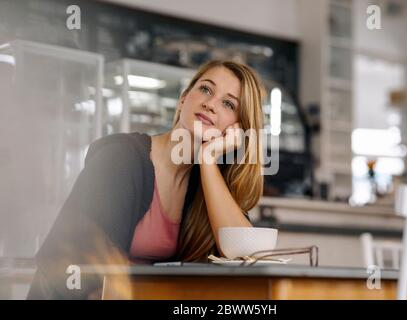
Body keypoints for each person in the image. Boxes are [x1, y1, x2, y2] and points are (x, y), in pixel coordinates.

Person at [27, 60, 266, 299]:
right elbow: (92, 281)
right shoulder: (121, 159)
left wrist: (208, 160)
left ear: (238, 130)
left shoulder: (204, 184)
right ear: (184, 98)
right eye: (205, 89)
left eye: (227, 103)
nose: (210, 104)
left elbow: (246, 255)